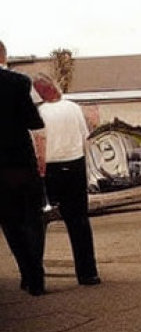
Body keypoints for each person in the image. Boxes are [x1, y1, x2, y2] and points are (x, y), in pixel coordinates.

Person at [33, 74, 100, 286]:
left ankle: (35, 272)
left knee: (39, 221)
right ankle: (88, 272)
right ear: (54, 87)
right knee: (79, 220)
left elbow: (38, 144)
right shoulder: (73, 107)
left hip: (50, 168)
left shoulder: (40, 113)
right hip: (75, 163)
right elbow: (84, 136)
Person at [0, 40, 46, 295]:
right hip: (19, 161)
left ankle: (26, 272)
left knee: (9, 222)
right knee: (32, 218)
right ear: (3, 55)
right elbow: (33, 121)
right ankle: (37, 276)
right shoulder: (18, 83)